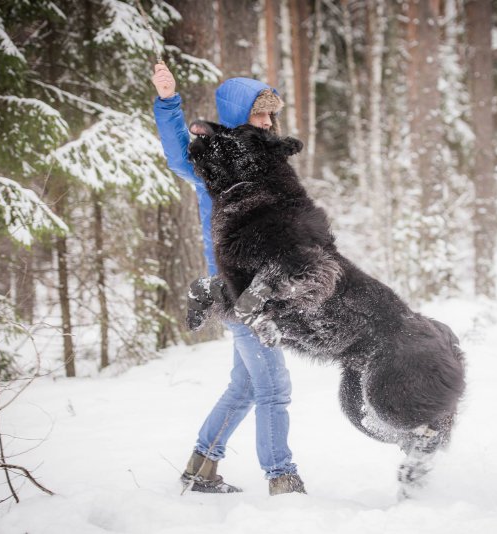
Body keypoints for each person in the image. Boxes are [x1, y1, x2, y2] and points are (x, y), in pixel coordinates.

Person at [151, 62, 306, 496]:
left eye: (272, 115)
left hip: (268, 286)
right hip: (237, 287)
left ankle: (201, 468)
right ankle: (282, 478)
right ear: (240, 114)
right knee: (274, 387)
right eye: (261, 114)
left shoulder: (267, 163)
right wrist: (168, 101)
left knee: (245, 385)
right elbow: (177, 153)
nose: (269, 122)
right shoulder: (213, 166)